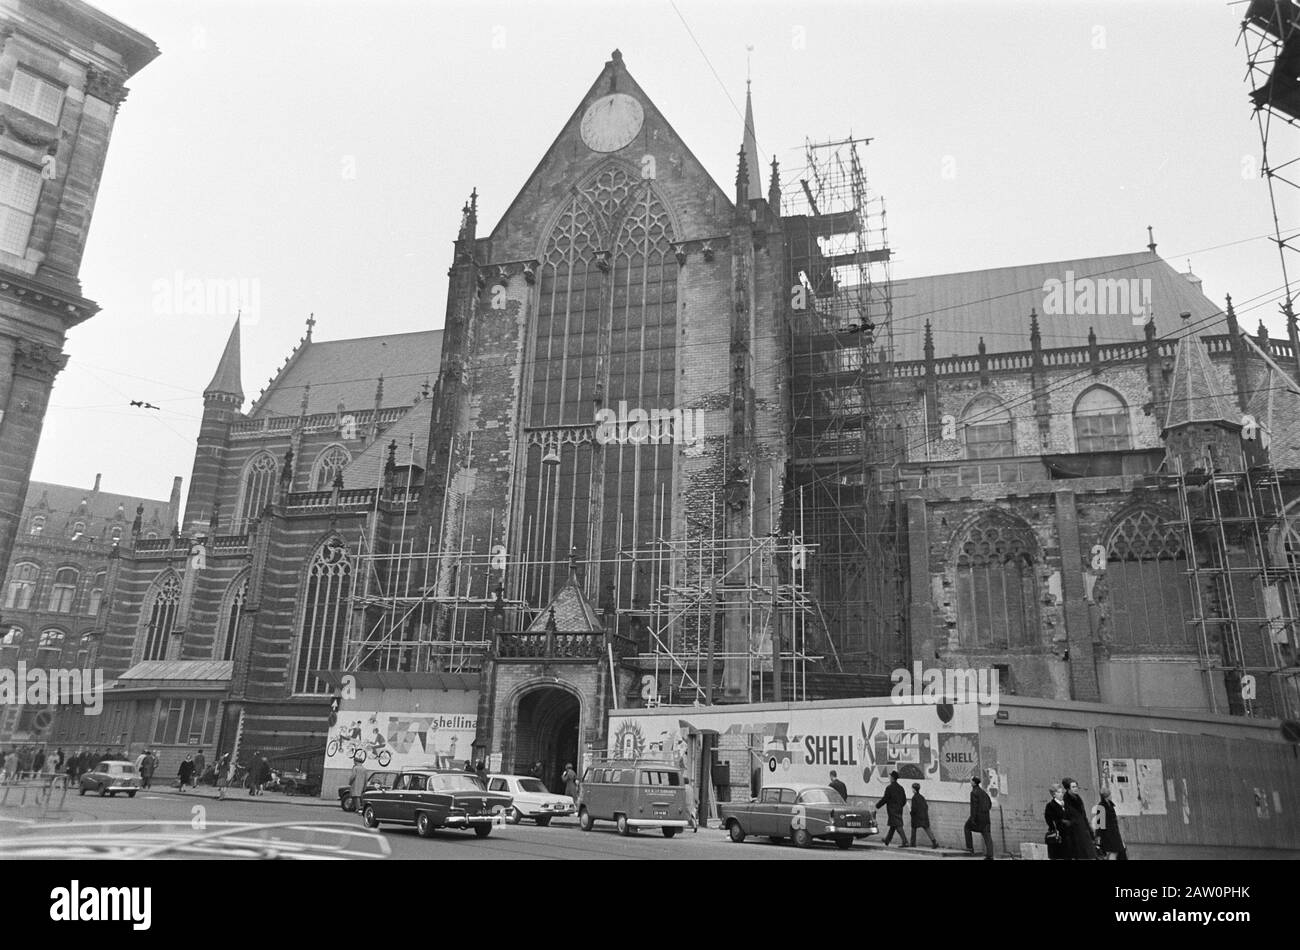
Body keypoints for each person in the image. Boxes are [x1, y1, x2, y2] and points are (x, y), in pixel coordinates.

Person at [1062, 777, 1096, 860]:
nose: (1076, 789)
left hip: (1083, 829)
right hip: (1074, 832)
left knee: (1090, 855)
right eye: (1073, 787)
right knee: (1080, 855)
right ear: (1068, 789)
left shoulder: (1078, 799)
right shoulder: (1065, 801)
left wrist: (1090, 830)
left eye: (1076, 786)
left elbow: (1083, 815)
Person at [1092, 787, 1127, 860]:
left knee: (1116, 851)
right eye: (1109, 794)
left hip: (1114, 833)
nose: (1111, 796)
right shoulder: (1101, 806)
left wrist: (1119, 818)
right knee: (1115, 851)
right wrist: (1098, 836)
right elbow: (1100, 823)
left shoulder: (1110, 805)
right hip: (1108, 834)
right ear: (1106, 796)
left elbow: (1111, 819)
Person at [964, 775, 994, 859]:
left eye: (971, 781)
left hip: (978, 817)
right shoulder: (983, 792)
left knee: (967, 827)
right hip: (986, 817)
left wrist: (973, 818)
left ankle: (969, 848)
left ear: (973, 782)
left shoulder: (974, 792)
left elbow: (974, 807)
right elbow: (989, 804)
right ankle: (990, 855)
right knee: (987, 835)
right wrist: (985, 811)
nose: (970, 782)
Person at [875, 770, 908, 847]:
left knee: (898, 826)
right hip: (899, 809)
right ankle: (887, 840)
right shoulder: (901, 788)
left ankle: (905, 841)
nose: (889, 778)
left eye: (890, 777)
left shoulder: (889, 788)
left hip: (892, 810)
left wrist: (877, 805)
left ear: (892, 778)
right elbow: (904, 800)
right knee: (893, 825)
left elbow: (885, 799)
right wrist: (900, 806)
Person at [1044, 784, 1069, 860]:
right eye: (1059, 792)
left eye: (1062, 792)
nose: (1061, 794)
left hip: (1069, 834)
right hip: (1058, 835)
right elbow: (1049, 820)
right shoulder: (1050, 806)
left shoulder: (1067, 804)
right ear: (1054, 794)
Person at [909, 783, 938, 848]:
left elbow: (914, 809)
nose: (912, 790)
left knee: (913, 828)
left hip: (917, 817)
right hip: (924, 816)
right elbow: (926, 806)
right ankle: (934, 842)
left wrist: (911, 813)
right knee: (927, 829)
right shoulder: (922, 797)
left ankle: (913, 843)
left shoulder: (914, 798)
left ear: (914, 789)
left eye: (912, 788)